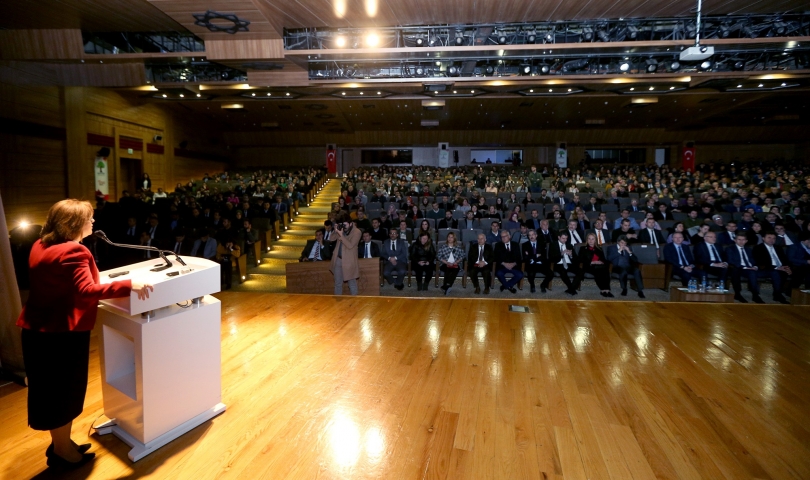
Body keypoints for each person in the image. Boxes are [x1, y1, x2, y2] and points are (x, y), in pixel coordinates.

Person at [16, 199, 152, 469]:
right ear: (75, 223)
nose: (93, 222)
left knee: (50, 392)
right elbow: (86, 291)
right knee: (64, 393)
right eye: (89, 218)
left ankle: (61, 444)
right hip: (62, 334)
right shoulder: (75, 251)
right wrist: (129, 284)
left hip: (36, 331)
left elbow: (63, 284)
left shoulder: (39, 245)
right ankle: (62, 453)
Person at [753, 232, 792, 304]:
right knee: (776, 272)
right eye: (769, 237)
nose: (772, 240)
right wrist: (777, 267)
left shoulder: (778, 247)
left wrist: (787, 267)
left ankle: (788, 292)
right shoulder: (758, 248)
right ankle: (778, 294)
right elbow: (761, 262)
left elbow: (784, 259)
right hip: (765, 269)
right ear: (763, 238)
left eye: (774, 238)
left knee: (796, 271)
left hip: (780, 268)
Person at [725, 234, 764, 303]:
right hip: (738, 268)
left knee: (752, 273)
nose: (741, 241)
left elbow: (753, 260)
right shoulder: (730, 248)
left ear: (746, 241)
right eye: (739, 239)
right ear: (735, 240)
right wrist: (745, 267)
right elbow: (730, 261)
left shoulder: (748, 249)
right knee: (735, 271)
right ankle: (737, 294)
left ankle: (755, 295)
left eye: (743, 240)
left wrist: (755, 267)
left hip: (749, 269)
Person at [330, 213, 362, 295]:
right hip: (338, 259)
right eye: (341, 225)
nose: (343, 227)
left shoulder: (357, 232)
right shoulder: (341, 230)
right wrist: (335, 230)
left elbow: (350, 245)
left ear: (351, 223)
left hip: (349, 261)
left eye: (345, 225)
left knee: (352, 284)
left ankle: (355, 303)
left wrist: (341, 235)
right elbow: (331, 239)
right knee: (338, 283)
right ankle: (338, 304)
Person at [577, 233, 613, 297]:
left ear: (595, 240)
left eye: (592, 239)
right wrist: (592, 262)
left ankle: (607, 290)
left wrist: (601, 262)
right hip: (588, 266)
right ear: (587, 240)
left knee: (605, 269)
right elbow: (580, 260)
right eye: (589, 239)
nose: (591, 241)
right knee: (599, 270)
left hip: (599, 266)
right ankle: (603, 289)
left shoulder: (599, 249)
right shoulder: (583, 248)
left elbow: (603, 259)